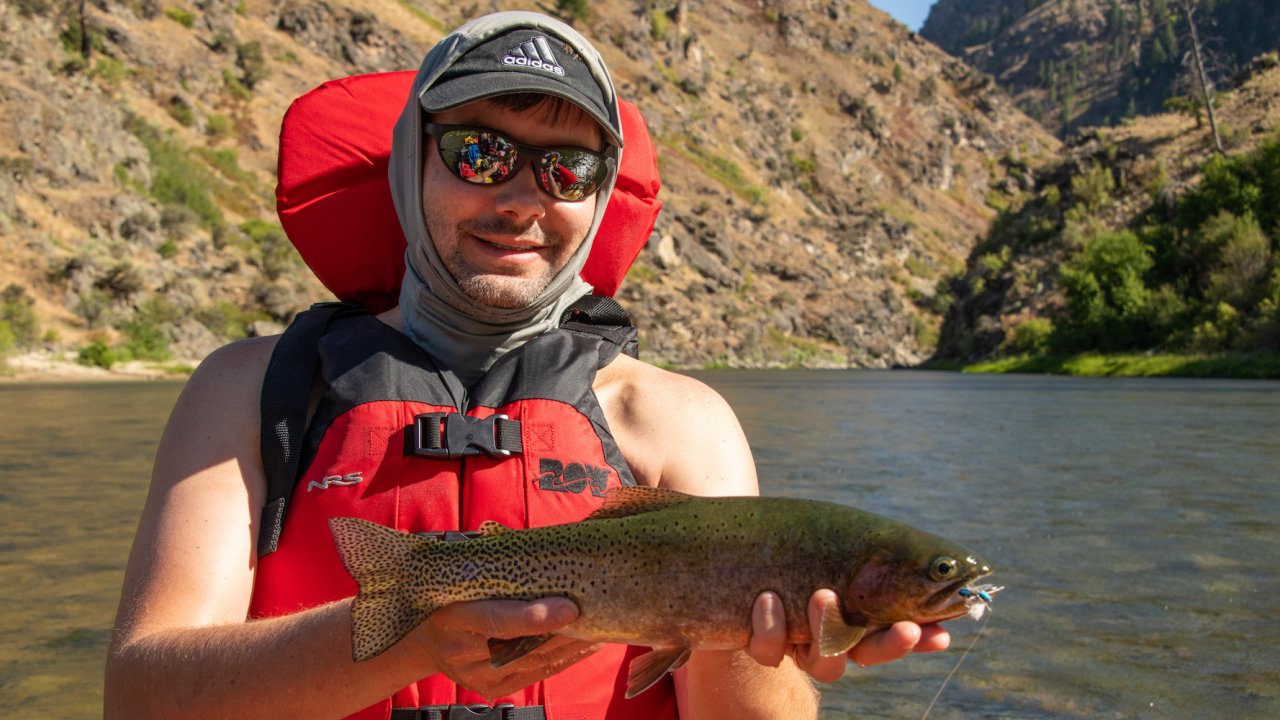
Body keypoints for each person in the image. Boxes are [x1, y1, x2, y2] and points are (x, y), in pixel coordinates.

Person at [103, 11, 949, 720]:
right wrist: (415, 634)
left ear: (598, 191)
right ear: (413, 160)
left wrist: (764, 647)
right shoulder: (251, 392)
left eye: (565, 168)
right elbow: (138, 696)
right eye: (479, 153)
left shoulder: (679, 422)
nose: (519, 199)